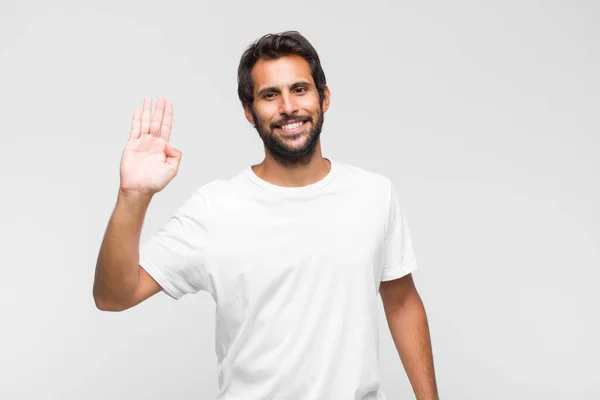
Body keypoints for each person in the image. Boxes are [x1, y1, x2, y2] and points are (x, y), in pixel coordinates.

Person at [93, 31, 439, 400]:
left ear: (324, 97)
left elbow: (402, 301)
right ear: (248, 111)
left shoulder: (374, 195)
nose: (288, 107)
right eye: (270, 95)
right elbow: (114, 295)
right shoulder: (216, 209)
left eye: (300, 89)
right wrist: (133, 196)